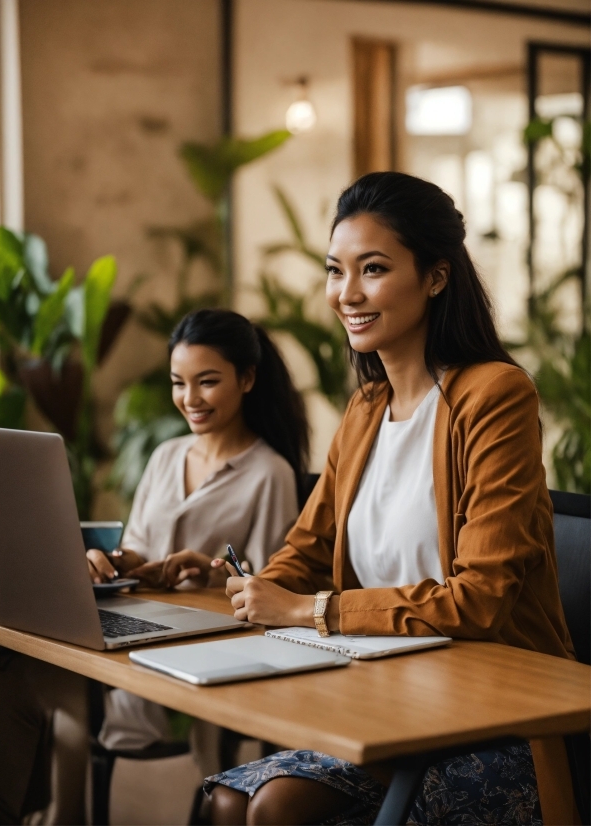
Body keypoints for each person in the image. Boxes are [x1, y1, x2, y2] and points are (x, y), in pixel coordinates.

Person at [203, 172, 578, 826]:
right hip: (387, 696)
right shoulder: (366, 407)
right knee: (229, 800)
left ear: (435, 277)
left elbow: (480, 598)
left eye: (372, 269)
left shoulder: (495, 396)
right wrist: (243, 584)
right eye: (335, 271)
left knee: (275, 807)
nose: (347, 294)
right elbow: (307, 551)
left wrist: (312, 609)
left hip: (501, 717)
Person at [86, 309, 309, 763]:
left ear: (247, 379)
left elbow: (273, 586)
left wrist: (209, 574)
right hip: (142, 623)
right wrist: (112, 560)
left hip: (212, 645)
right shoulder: (166, 456)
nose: (190, 398)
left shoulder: (270, 473)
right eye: (178, 382)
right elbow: (141, 548)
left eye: (207, 381)